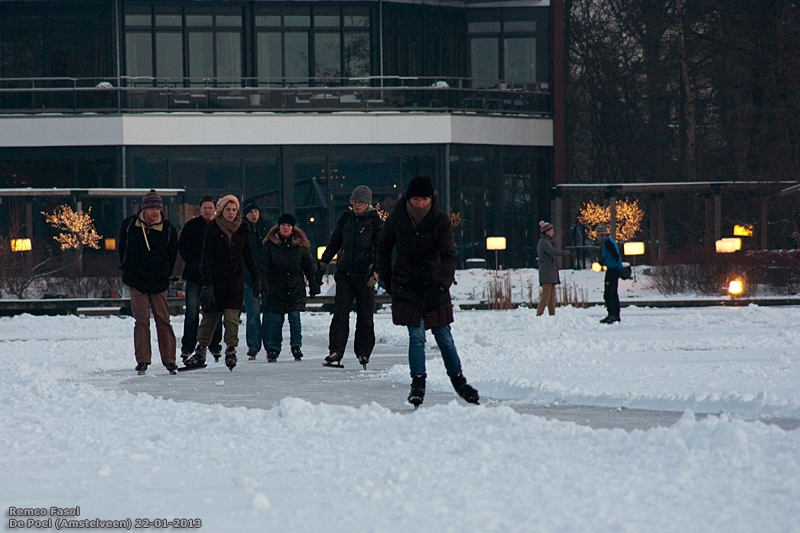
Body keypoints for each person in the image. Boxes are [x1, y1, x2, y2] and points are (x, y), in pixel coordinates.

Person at [376, 176, 479, 408]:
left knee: (444, 336)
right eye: (416, 199)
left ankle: (458, 380)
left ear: (431, 199)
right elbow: (382, 250)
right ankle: (418, 383)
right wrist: (388, 280)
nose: (420, 204)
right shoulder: (396, 219)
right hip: (406, 286)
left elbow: (448, 255)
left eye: (424, 199)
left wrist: (442, 285)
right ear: (408, 199)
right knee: (416, 337)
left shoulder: (441, 221)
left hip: (434, 286)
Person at [183, 195, 260, 371]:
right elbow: (206, 257)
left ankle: (231, 349)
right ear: (221, 210)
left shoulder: (243, 228)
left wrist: (256, 278)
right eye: (228, 210)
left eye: (234, 210)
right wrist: (207, 284)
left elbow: (249, 256)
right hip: (215, 282)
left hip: (234, 282)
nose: (231, 213)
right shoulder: (212, 228)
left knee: (232, 318)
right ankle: (200, 350)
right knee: (209, 317)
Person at [318, 185, 383, 370]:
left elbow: (381, 250)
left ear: (367, 203)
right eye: (354, 202)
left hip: (365, 276)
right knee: (340, 314)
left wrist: (376, 271)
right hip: (345, 273)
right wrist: (323, 264)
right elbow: (334, 243)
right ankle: (336, 351)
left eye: (360, 202)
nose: (356, 205)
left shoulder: (375, 222)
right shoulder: (345, 219)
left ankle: (363, 352)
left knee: (365, 315)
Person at [117, 189, 179, 375]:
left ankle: (169, 360)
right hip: (136, 280)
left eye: (158, 208)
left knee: (163, 319)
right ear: (144, 208)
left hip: (159, 280)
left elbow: (172, 255)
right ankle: (143, 360)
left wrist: (165, 273)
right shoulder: (130, 225)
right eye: (152, 208)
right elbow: (122, 249)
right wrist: (128, 270)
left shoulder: (168, 228)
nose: (155, 212)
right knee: (142, 319)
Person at [260, 213, 319, 362]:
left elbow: (309, 267)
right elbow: (264, 267)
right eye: (283, 225)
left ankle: (296, 346)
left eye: (288, 225)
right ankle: (274, 348)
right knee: (276, 320)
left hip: (295, 287)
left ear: (293, 228)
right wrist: (264, 285)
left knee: (294, 317)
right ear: (278, 227)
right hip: (276, 288)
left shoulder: (300, 246)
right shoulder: (270, 245)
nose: (285, 228)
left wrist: (313, 284)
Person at [178, 196, 223, 361]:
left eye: (210, 208)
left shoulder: (220, 226)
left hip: (214, 277)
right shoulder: (191, 226)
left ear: (215, 209)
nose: (208, 211)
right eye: (205, 208)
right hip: (194, 275)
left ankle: (215, 345)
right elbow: (183, 248)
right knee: (192, 312)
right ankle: (188, 346)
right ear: (200, 209)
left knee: (214, 311)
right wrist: (195, 264)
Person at [241, 197, 271, 361]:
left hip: (266, 277)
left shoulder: (268, 227)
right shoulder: (241, 229)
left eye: (256, 211)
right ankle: (253, 346)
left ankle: (270, 346)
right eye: (250, 212)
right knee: (253, 313)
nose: (254, 214)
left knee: (269, 313)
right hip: (248, 278)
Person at [536, 220, 576, 316]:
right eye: (552, 230)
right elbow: (553, 251)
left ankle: (552, 314)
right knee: (546, 295)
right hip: (546, 273)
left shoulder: (547, 241)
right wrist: (567, 253)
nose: (553, 232)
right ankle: (539, 314)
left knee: (552, 295)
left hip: (550, 273)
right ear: (547, 232)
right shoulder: (544, 242)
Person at [596, 224, 622, 324]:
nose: (598, 238)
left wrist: (605, 261)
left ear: (602, 235)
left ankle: (612, 315)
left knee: (608, 293)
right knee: (613, 292)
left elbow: (615, 255)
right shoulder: (609, 242)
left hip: (612, 270)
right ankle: (615, 315)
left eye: (598, 236)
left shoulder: (608, 243)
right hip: (613, 269)